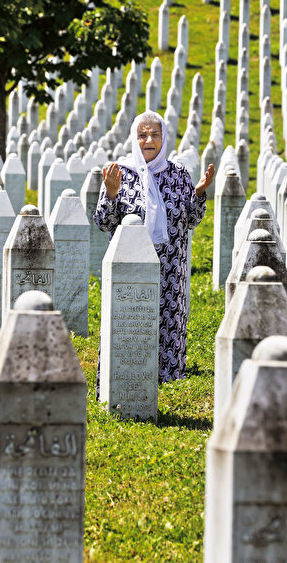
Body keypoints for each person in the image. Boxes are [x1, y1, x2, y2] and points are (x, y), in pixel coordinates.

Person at [94, 111, 215, 383]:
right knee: (128, 324)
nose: (149, 140)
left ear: (164, 138)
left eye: (155, 134)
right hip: (130, 270)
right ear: (133, 138)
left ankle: (168, 384)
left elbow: (191, 220)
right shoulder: (120, 173)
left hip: (170, 269)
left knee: (168, 324)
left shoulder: (178, 174)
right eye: (142, 135)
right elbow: (103, 223)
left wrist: (198, 194)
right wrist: (111, 194)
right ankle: (124, 382)